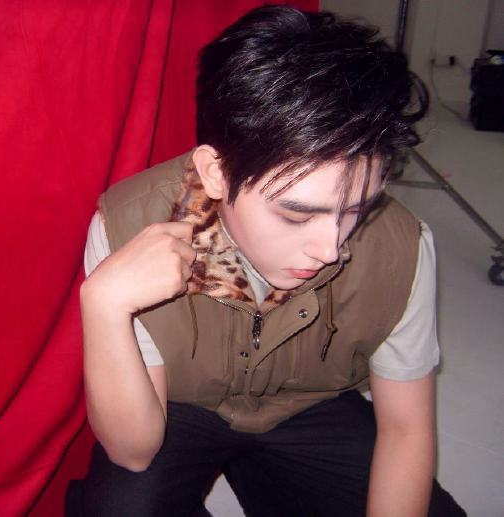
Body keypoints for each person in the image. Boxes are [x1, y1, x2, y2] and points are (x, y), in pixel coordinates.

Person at [70, 6, 465, 516]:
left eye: (356, 209)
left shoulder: (401, 246)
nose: (330, 248)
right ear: (215, 173)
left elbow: (406, 428)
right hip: (179, 408)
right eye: (296, 214)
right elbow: (134, 453)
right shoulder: (128, 225)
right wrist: (104, 305)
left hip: (308, 404)